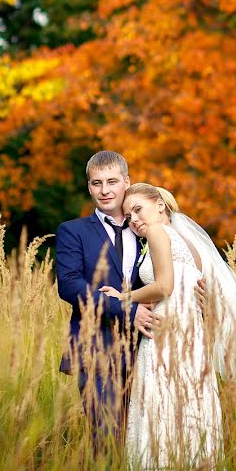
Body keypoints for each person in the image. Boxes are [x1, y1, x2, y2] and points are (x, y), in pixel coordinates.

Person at [100, 183, 236, 471]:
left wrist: (122, 297)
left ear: (160, 204)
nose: (134, 219)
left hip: (165, 339)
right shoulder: (189, 243)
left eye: (138, 209)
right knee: (189, 418)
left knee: (160, 417)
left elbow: (164, 287)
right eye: (128, 215)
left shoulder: (159, 233)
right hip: (191, 341)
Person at [55, 151, 163, 451]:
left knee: (143, 443)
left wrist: (193, 287)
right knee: (106, 439)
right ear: (89, 187)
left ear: (126, 182)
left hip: (148, 348)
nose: (105, 190)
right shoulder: (72, 231)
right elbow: (70, 286)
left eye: (112, 182)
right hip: (96, 348)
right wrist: (128, 311)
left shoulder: (148, 229)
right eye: (96, 183)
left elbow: (169, 273)